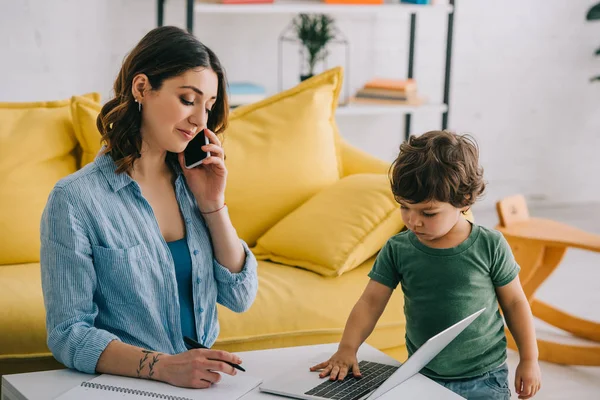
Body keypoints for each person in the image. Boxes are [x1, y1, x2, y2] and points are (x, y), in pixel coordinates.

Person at [40, 26, 258, 389]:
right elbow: (68, 333)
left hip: (199, 385)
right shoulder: (75, 200)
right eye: (188, 99)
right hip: (131, 385)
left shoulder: (194, 184)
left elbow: (239, 296)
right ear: (142, 88)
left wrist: (213, 204)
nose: (200, 121)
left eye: (208, 106)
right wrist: (163, 366)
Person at [310, 131, 542, 400]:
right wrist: (347, 348)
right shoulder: (398, 249)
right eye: (405, 207)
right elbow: (370, 303)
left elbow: (515, 303)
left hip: (484, 378)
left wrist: (529, 359)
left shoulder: (490, 245)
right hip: (422, 376)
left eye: (427, 213)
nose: (413, 221)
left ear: (464, 200)